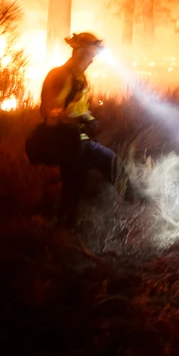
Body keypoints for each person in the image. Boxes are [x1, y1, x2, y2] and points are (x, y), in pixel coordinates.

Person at [37, 32, 137, 227]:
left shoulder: (77, 75)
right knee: (110, 162)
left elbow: (77, 107)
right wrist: (81, 119)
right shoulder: (62, 75)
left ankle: (65, 227)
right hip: (65, 139)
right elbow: (50, 109)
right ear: (79, 53)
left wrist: (90, 120)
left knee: (73, 185)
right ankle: (134, 206)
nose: (92, 61)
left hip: (74, 138)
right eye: (90, 56)